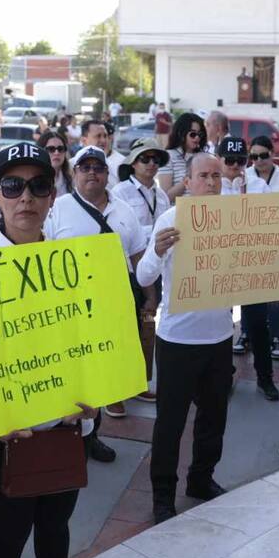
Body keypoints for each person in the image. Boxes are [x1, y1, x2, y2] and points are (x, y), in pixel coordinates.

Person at [0, 142, 99, 558]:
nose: (26, 197)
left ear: (52, 196)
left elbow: (92, 342)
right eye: (13, 185)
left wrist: (91, 404)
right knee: (5, 539)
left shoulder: (78, 267)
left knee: (55, 535)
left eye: (38, 186)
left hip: (62, 428)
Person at [138, 152, 234, 523]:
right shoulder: (171, 218)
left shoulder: (234, 217)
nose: (211, 183)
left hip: (220, 336)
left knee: (214, 418)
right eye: (203, 177)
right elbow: (145, 277)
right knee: (170, 423)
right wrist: (159, 250)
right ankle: (163, 495)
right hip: (178, 340)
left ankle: (201, 479)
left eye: (216, 176)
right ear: (189, 182)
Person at [47, 145, 147, 440]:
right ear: (75, 173)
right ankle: (78, 436)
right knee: (76, 373)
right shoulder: (58, 208)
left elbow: (139, 256)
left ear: (107, 174)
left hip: (115, 305)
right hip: (72, 306)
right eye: (85, 167)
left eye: (98, 168)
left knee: (105, 371)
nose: (92, 173)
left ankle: (95, 435)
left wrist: (150, 298)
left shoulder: (124, 210)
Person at [216, 136, 279, 401]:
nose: (234, 166)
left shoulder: (258, 185)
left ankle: (265, 378)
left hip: (250, 266)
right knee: (221, 324)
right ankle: (223, 375)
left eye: (239, 161)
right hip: (220, 266)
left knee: (257, 325)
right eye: (229, 160)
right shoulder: (211, 185)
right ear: (220, 160)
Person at [112, 138, 170, 404]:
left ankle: (141, 382)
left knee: (148, 325)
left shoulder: (163, 195)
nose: (151, 164)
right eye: (145, 159)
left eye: (155, 159)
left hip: (155, 269)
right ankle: (115, 391)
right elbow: (120, 232)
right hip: (126, 270)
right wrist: (149, 235)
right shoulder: (120, 192)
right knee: (122, 328)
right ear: (133, 163)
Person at [244, 136, 279, 362]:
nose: (258, 161)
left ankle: (275, 337)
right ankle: (245, 333)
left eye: (263, 155)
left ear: (273, 153)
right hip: (250, 243)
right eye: (253, 156)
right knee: (247, 292)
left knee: (275, 294)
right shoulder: (244, 177)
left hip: (277, 242)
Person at [158, 113, 207, 203]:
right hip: (178, 213)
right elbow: (166, 198)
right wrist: (189, 177)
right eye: (193, 134)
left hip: (202, 211)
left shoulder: (205, 157)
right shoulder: (168, 157)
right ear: (181, 133)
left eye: (200, 134)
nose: (197, 138)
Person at [76, 119, 123, 191]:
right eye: (98, 136)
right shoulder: (71, 164)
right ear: (84, 140)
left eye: (105, 136)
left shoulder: (121, 163)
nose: (104, 140)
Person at [38, 129, 74, 196]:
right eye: (51, 149)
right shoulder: (33, 180)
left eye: (60, 149)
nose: (56, 153)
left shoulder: (72, 180)